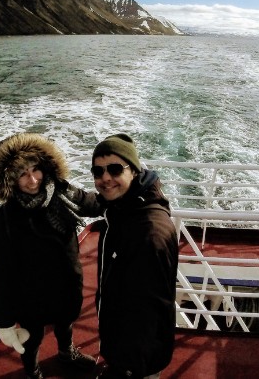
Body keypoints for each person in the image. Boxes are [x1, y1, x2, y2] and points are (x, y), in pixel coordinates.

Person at [0, 132, 103, 379]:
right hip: (31, 294)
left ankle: (66, 352)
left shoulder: (62, 191)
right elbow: (2, 273)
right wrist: (4, 321)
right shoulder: (5, 219)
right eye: (21, 174)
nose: (32, 180)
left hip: (68, 281)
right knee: (33, 336)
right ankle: (32, 371)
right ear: (9, 179)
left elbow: (93, 204)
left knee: (67, 320)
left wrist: (129, 191)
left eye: (34, 169)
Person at [91, 134, 178, 379]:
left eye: (115, 169)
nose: (105, 178)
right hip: (123, 344)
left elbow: (147, 315)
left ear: (134, 171)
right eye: (98, 172)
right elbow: (101, 203)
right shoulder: (127, 206)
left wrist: (130, 367)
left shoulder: (149, 235)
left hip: (138, 358)